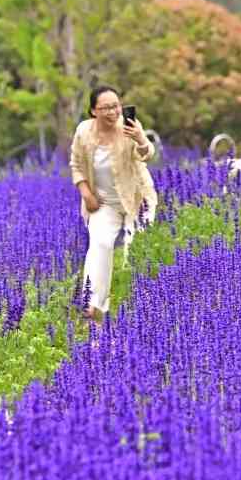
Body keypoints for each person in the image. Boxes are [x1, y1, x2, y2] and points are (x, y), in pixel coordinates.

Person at [69, 85, 157, 322]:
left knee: (135, 250)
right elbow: (76, 165)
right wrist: (86, 193)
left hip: (136, 200)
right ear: (93, 111)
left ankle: (143, 309)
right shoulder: (84, 132)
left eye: (116, 106)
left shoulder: (128, 129)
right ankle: (94, 305)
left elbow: (147, 154)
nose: (113, 111)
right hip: (103, 202)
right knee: (100, 244)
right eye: (106, 107)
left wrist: (140, 138)